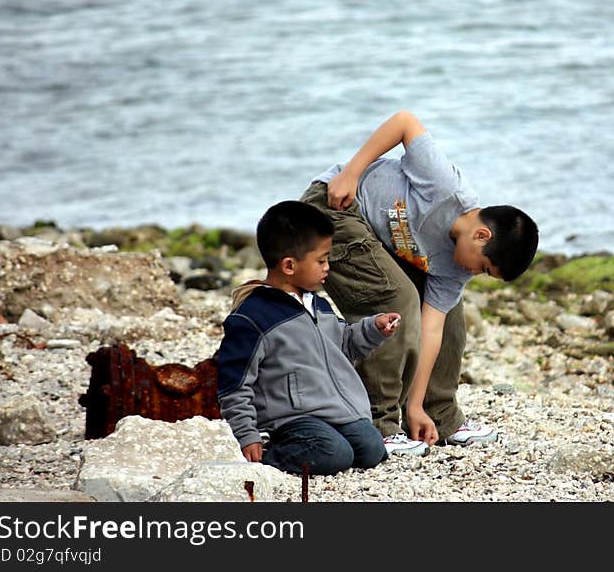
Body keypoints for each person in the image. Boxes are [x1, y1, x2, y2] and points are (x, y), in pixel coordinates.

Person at [301, 110, 539, 457]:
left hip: (374, 239)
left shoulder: (455, 269)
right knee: (396, 298)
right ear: (481, 234)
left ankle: (437, 416)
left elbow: (431, 331)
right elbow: (404, 122)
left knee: (450, 316)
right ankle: (379, 424)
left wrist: (415, 404)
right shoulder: (445, 188)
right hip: (334, 208)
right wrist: (351, 173)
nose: (475, 274)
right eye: (484, 267)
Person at [216, 200, 401, 476]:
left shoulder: (318, 305)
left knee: (372, 449)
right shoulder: (253, 317)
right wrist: (247, 435)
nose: (328, 266)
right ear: (289, 266)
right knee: (334, 453)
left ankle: (327, 446)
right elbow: (234, 384)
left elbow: (344, 346)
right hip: (289, 419)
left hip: (333, 409)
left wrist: (373, 328)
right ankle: (270, 457)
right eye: (321, 260)